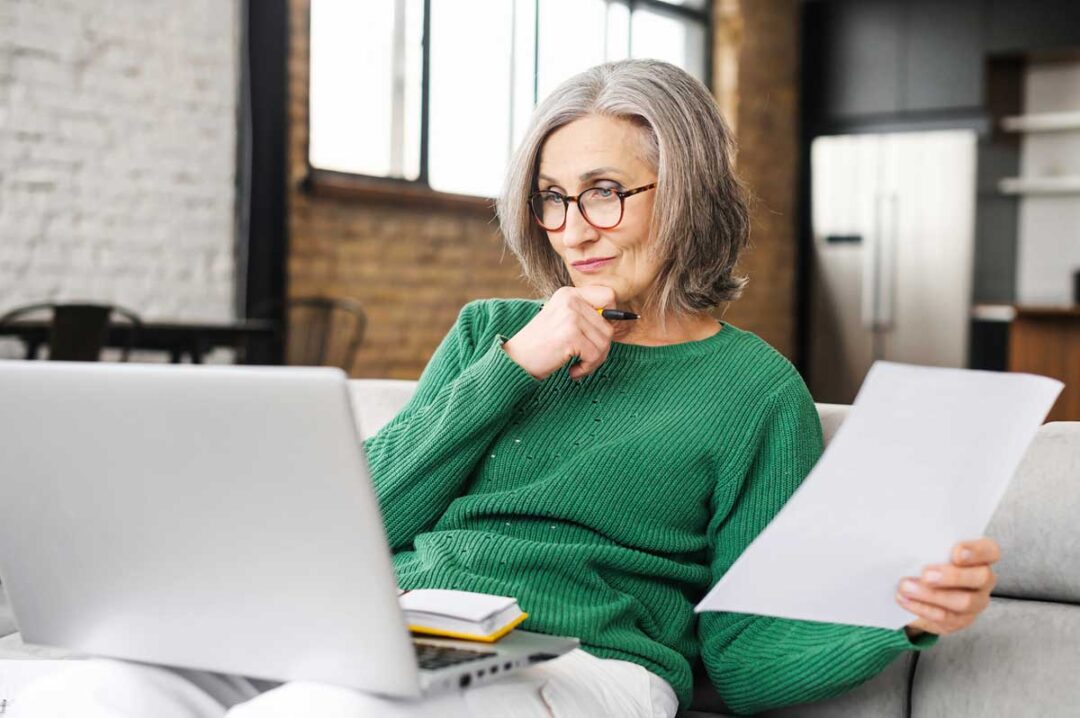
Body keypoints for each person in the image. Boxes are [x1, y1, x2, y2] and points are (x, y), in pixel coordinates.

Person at [14, 59, 999, 718]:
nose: (575, 226)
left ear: (688, 191)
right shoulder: (494, 334)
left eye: (606, 190)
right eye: (553, 197)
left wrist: (898, 609)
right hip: (398, 631)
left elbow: (739, 653)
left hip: (582, 665)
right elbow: (361, 514)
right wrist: (509, 370)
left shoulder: (752, 390)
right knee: (94, 689)